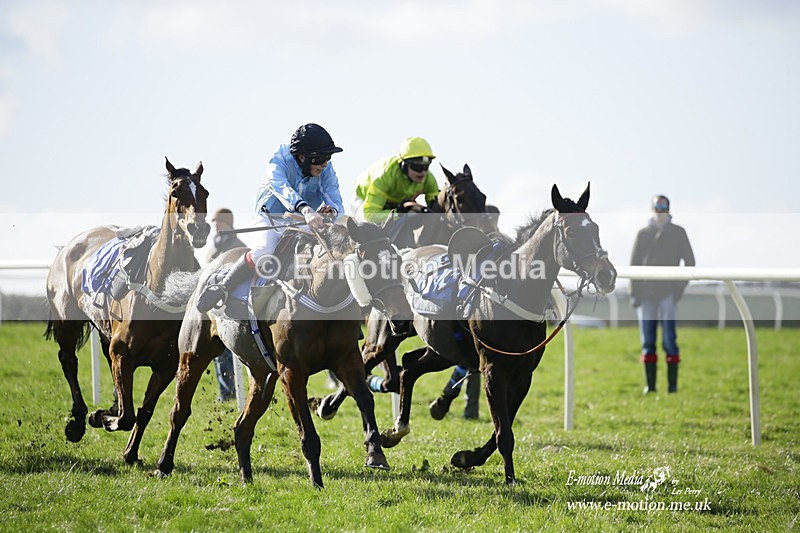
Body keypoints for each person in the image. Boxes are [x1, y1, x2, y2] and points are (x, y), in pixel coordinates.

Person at [196, 123, 345, 313]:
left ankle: (343, 307)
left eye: (328, 157)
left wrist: (332, 210)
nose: (325, 163)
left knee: (332, 250)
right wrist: (305, 208)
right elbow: (280, 186)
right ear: (302, 156)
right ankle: (224, 285)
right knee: (263, 251)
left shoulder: (326, 169)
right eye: (321, 158)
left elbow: (334, 193)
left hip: (303, 221)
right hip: (270, 219)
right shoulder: (279, 160)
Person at [630, 195, 695, 394]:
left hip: (668, 294)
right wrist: (635, 294)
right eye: (657, 206)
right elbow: (634, 264)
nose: (660, 209)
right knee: (647, 342)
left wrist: (678, 290)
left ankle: (672, 387)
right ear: (652, 208)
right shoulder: (643, 233)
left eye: (664, 206)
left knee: (669, 341)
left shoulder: (678, 232)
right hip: (645, 296)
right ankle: (650, 386)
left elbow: (690, 262)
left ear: (668, 208)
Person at [205, 208, 247, 401]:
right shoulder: (215, 245)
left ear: (227, 223)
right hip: (215, 305)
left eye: (218, 222)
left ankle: (230, 392)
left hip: (232, 304)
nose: (215, 225)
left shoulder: (236, 245)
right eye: (213, 222)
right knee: (219, 354)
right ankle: (226, 392)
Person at [351, 136, 439, 228]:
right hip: (363, 201)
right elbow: (370, 215)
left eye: (426, 167)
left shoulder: (428, 179)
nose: (423, 173)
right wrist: (399, 214)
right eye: (417, 167)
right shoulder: (385, 176)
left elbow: (437, 210)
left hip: (393, 206)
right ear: (404, 165)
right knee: (369, 227)